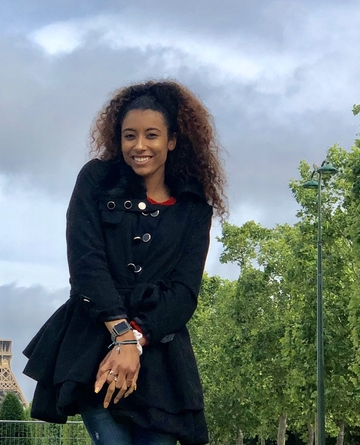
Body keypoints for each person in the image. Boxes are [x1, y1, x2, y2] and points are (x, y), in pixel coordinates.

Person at [23, 80, 227, 445]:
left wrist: (136, 338)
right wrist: (121, 337)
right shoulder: (95, 181)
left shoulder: (194, 208)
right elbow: (86, 265)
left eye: (152, 135)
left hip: (160, 360)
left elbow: (184, 292)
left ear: (173, 140)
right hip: (96, 348)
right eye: (129, 135)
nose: (139, 146)